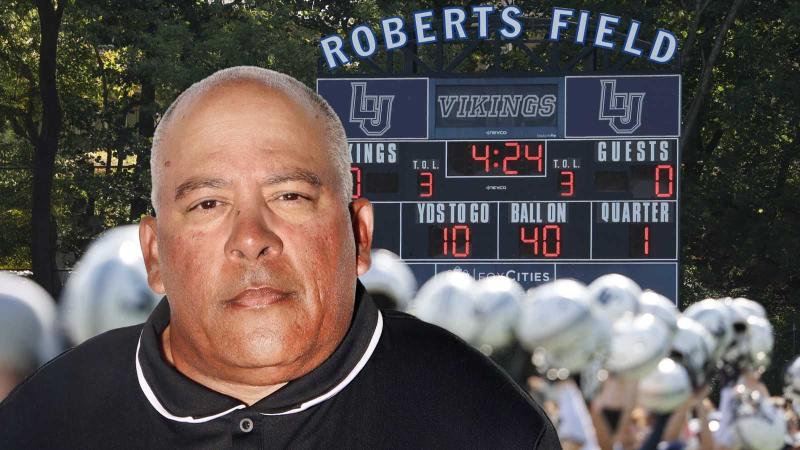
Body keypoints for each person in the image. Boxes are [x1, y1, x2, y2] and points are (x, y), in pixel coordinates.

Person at [0, 66, 559, 449]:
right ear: (154, 256)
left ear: (359, 235)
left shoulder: (491, 425)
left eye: (289, 196)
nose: (251, 237)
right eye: (208, 203)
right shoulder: (39, 425)